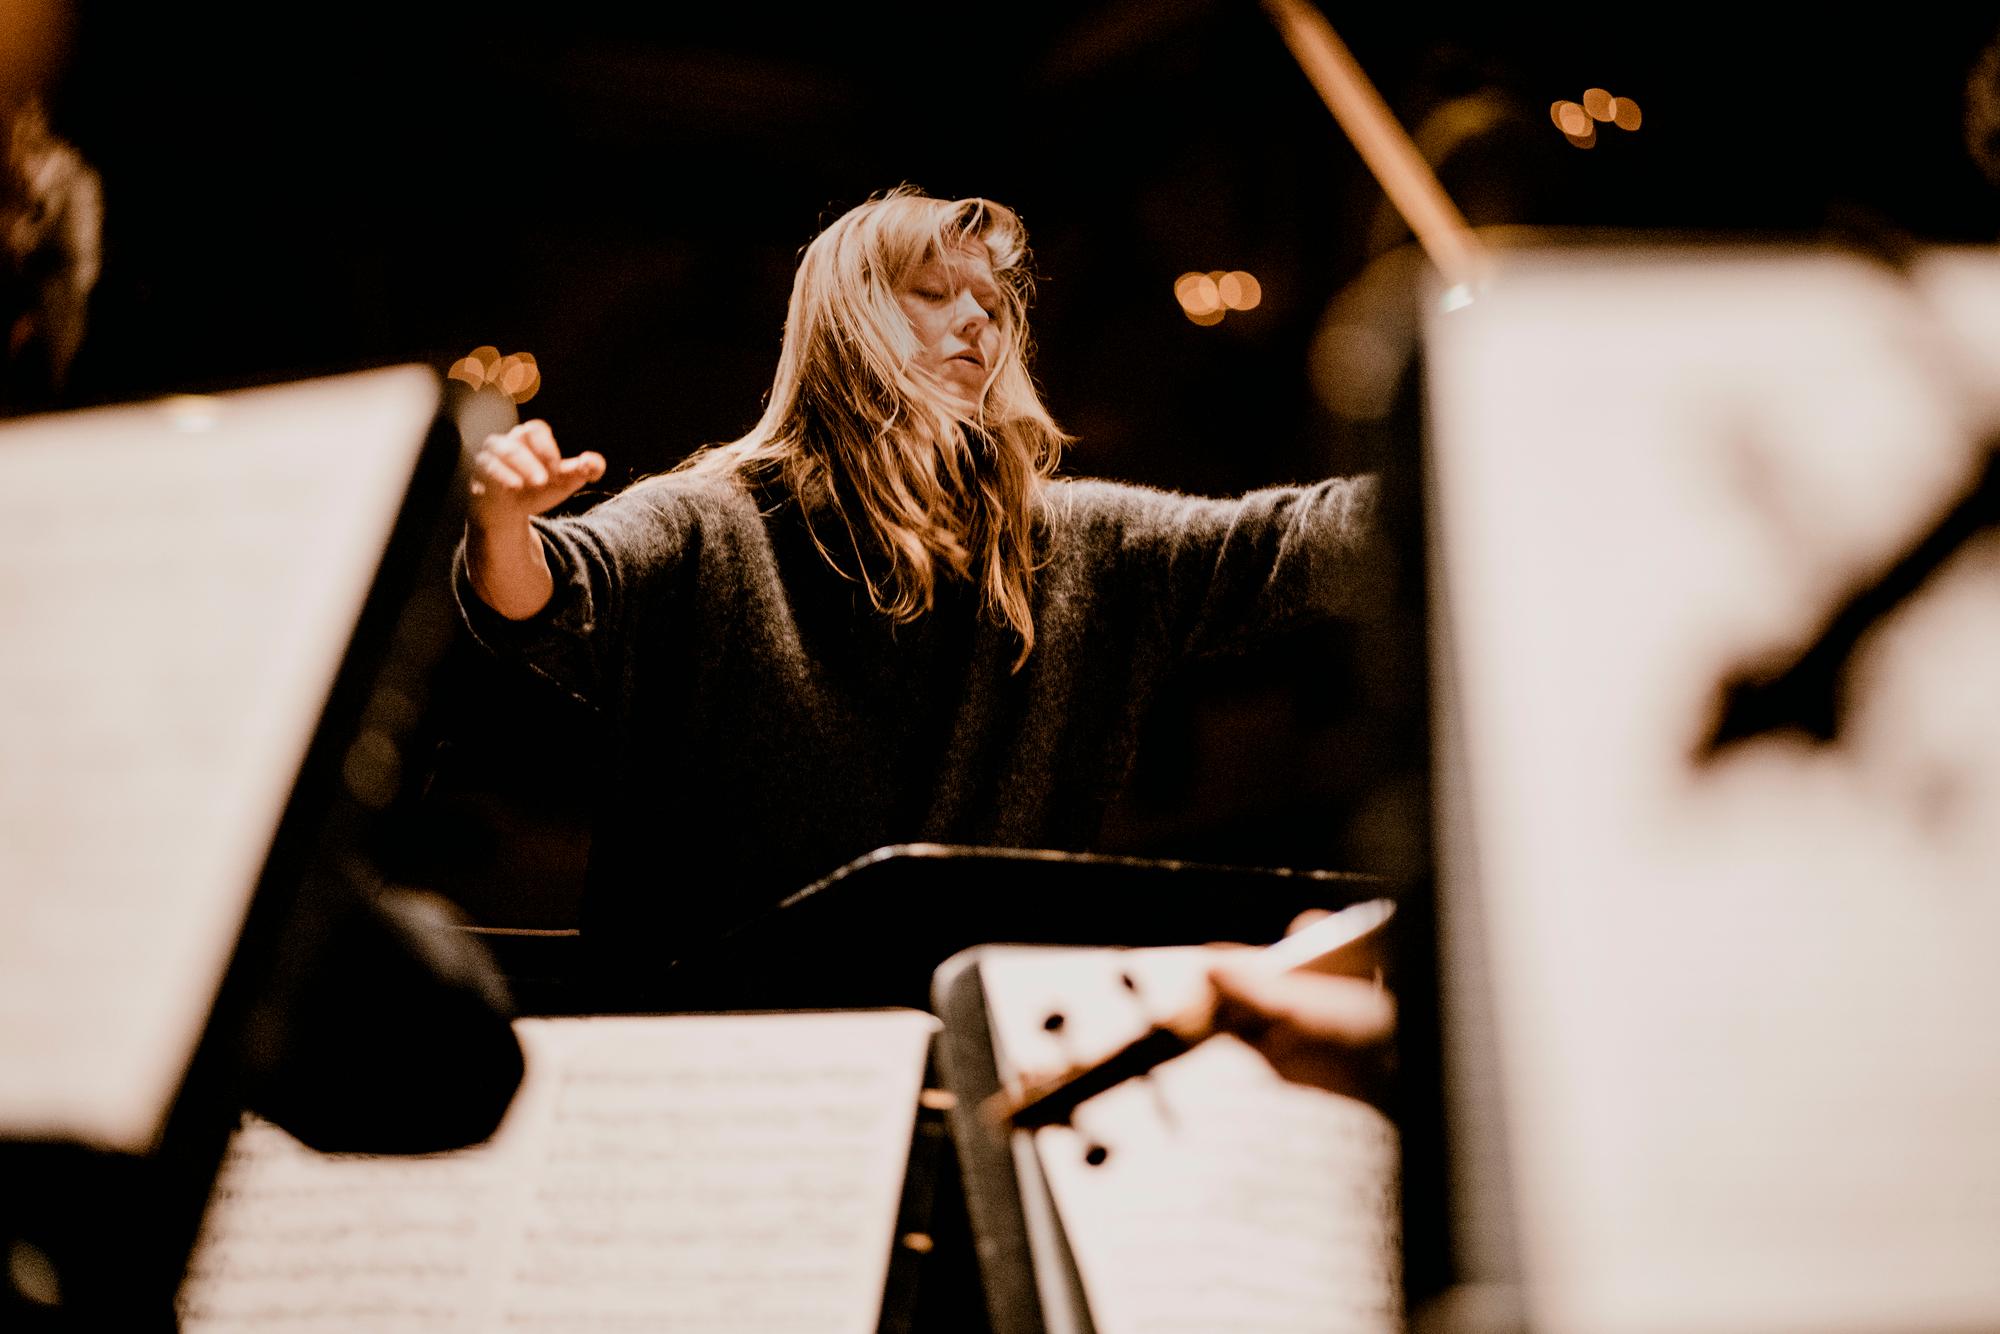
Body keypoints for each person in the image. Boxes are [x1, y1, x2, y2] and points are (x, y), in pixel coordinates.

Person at [458, 187, 1384, 1005]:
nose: (976, 321)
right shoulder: (712, 519)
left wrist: (1456, 454)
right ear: (847, 322)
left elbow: (1288, 542)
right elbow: (545, 592)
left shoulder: (1075, 542)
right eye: (934, 295)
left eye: (989, 302)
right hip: (720, 1033)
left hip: (974, 1040)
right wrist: (502, 522)